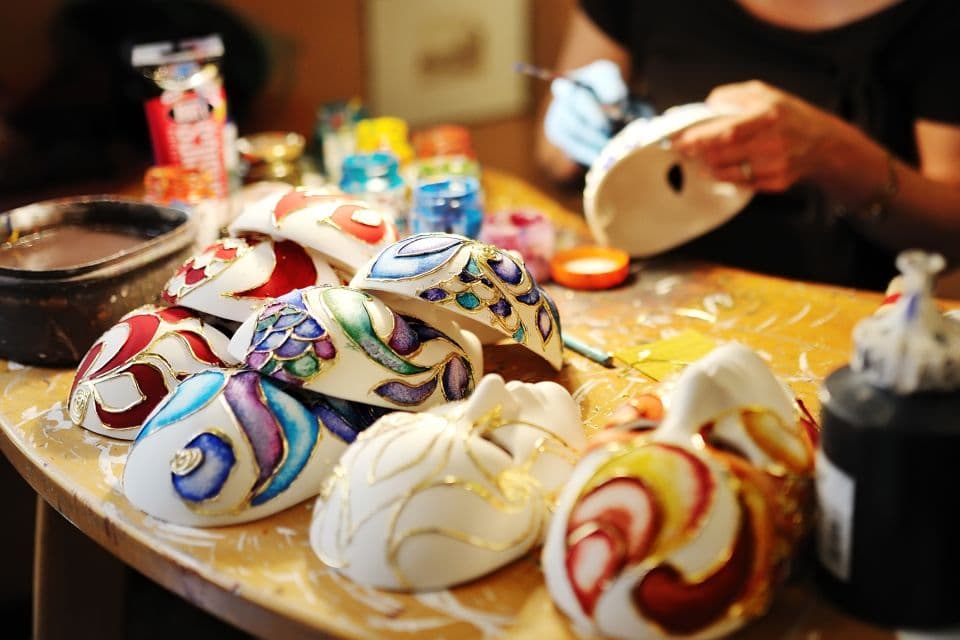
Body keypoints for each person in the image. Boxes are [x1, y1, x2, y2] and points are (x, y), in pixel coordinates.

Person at [537, 0, 960, 289]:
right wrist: (575, 126)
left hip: (840, 328)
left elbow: (950, 233)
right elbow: (551, 158)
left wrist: (833, 154)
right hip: (659, 295)